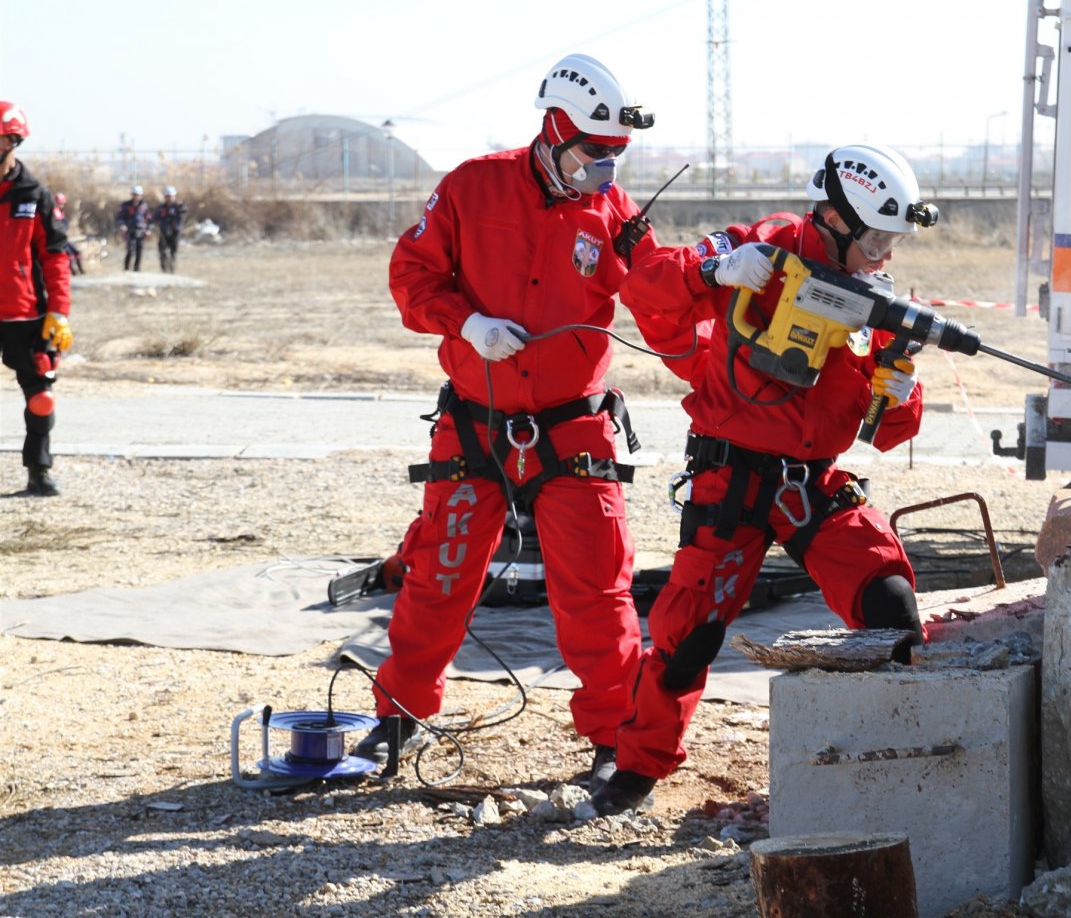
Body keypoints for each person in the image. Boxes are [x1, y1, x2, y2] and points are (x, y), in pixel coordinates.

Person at [593, 144, 939, 815]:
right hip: (734, 478)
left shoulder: (878, 301)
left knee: (889, 602)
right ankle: (637, 769)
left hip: (813, 480)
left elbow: (887, 430)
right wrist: (718, 269)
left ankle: (896, 758)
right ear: (834, 219)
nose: (884, 258)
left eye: (894, 242)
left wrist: (901, 391)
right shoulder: (763, 245)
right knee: (688, 632)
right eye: (874, 240)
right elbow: (648, 285)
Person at [353, 54, 660, 792]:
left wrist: (721, 282)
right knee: (438, 577)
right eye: (594, 156)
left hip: (574, 429)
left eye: (617, 158)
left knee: (597, 590)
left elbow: (664, 297)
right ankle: (395, 717)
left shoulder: (613, 215)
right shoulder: (470, 187)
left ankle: (617, 740)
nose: (605, 174)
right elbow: (412, 276)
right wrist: (467, 324)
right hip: (475, 425)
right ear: (554, 130)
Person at [0, 101, 73, 496]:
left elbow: (55, 257)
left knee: (41, 396)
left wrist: (59, 312)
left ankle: (38, 470)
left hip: (24, 313)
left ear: (12, 140)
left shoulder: (35, 195)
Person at [115, 184, 150, 272]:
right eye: (135, 194)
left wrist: (148, 229)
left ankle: (137, 269)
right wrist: (122, 225)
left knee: (139, 251)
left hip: (141, 230)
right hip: (130, 230)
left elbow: (148, 218)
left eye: (138, 195)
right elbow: (120, 217)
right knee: (130, 250)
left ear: (141, 195)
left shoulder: (144, 206)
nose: (136, 197)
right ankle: (126, 269)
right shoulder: (125, 205)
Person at [154, 185, 186, 274]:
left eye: (171, 196)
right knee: (162, 251)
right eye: (167, 196)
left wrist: (181, 206)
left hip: (175, 231)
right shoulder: (161, 207)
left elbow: (184, 210)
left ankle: (172, 269)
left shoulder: (178, 206)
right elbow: (155, 217)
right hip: (164, 231)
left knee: (173, 251)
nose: (169, 198)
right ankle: (164, 269)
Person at [52, 192, 84, 275]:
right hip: (58, 239)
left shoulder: (60, 212)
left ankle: (81, 270)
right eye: (60, 203)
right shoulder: (55, 212)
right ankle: (73, 271)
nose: (62, 205)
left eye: (62, 203)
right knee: (69, 253)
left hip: (64, 237)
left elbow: (65, 224)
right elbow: (59, 226)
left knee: (77, 252)